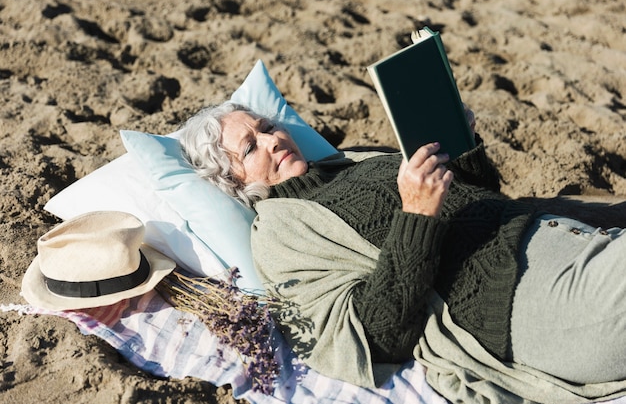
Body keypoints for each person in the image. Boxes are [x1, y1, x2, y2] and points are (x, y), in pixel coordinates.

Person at [180, 101, 626, 403]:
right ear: (232, 181)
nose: (272, 140)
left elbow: (476, 201)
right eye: (249, 147)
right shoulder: (278, 231)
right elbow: (376, 337)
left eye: (267, 127)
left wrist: (462, 147)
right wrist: (417, 216)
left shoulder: (352, 160)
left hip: (561, 238)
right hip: (531, 304)